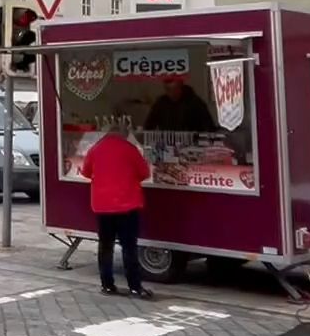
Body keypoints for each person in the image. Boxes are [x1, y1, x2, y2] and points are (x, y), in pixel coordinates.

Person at [82, 125, 153, 298]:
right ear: (124, 135)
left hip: (102, 206)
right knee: (129, 247)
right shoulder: (130, 149)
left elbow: (86, 172)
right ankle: (135, 287)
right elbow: (144, 173)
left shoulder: (95, 149)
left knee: (105, 246)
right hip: (127, 205)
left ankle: (107, 285)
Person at [144, 78, 217, 133]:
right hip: (167, 142)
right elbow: (149, 124)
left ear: (181, 87)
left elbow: (209, 126)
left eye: (175, 89)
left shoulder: (195, 103)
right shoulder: (160, 103)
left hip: (193, 143)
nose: (172, 93)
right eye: (168, 89)